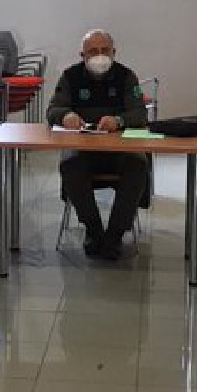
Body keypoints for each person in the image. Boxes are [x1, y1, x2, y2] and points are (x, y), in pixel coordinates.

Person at [46, 29, 149, 260]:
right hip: (84, 149)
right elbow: (53, 110)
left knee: (138, 164)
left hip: (120, 150)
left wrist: (119, 121)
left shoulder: (126, 77)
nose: (99, 56)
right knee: (70, 164)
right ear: (82, 55)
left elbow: (140, 114)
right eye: (93, 51)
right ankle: (93, 231)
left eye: (105, 50)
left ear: (114, 52)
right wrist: (65, 116)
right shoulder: (70, 77)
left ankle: (115, 235)